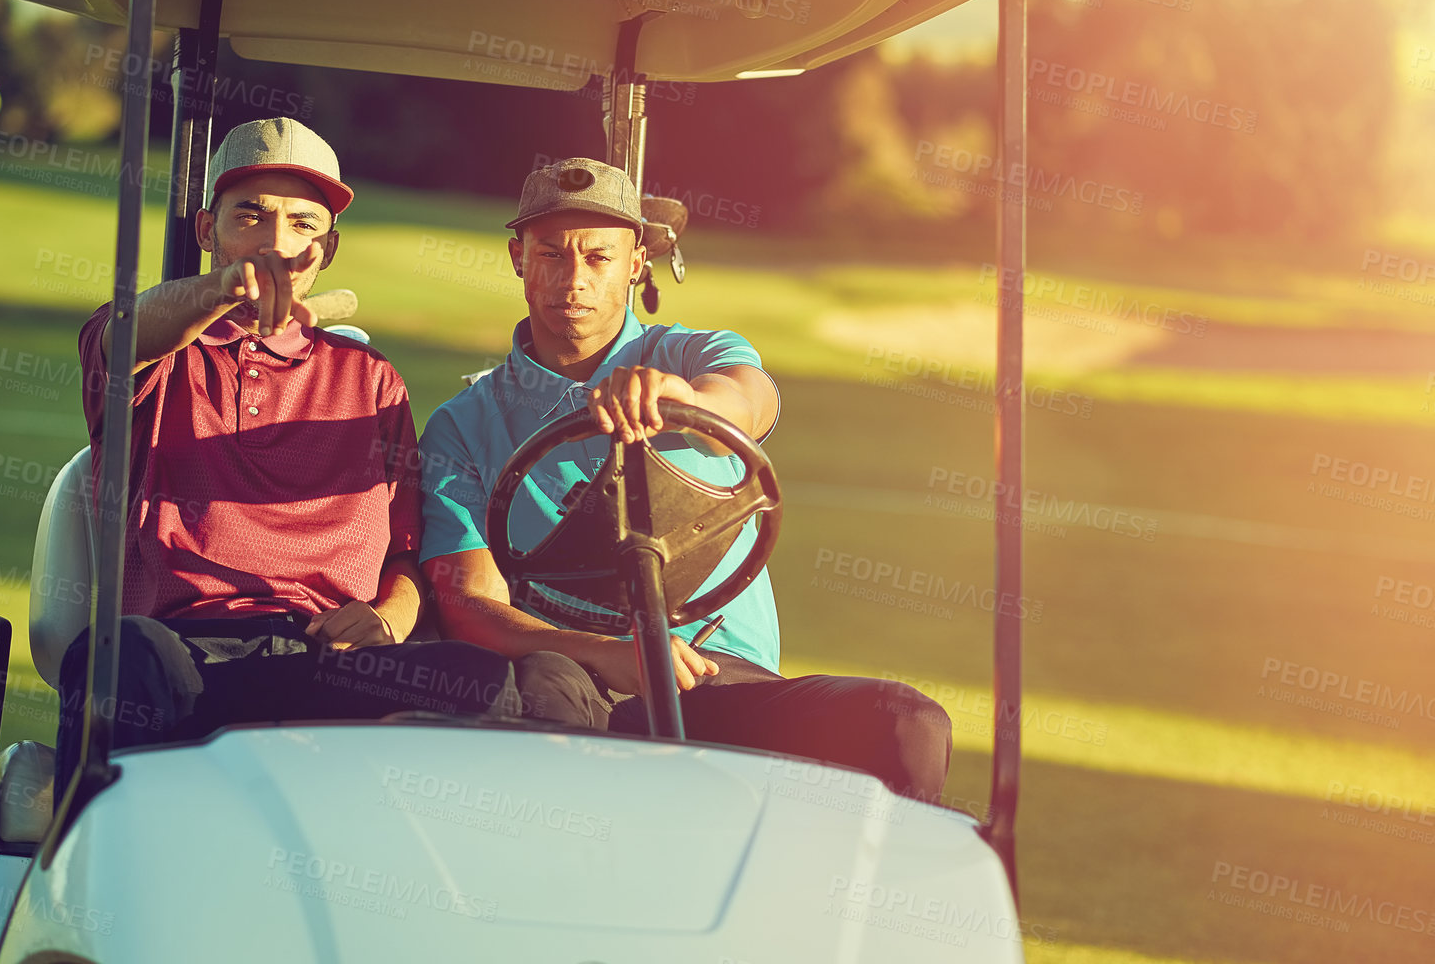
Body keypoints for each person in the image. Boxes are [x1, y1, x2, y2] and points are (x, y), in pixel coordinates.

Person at [417, 157, 953, 803]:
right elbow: (468, 605)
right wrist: (610, 655)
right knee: (537, 698)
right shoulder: (462, 424)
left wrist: (681, 399)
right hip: (576, 681)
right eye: (552, 255)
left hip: (715, 679)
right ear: (516, 258)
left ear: (636, 262)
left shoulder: (694, 355)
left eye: (598, 258)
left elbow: (749, 402)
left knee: (906, 723)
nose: (573, 279)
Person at [55, 118, 524, 799]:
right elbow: (131, 330)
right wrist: (222, 292)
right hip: (189, 650)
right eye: (251, 216)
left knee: (485, 684)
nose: (276, 241)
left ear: (325, 250)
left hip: (325, 654)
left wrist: (388, 618)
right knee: (122, 663)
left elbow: (404, 554)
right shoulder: (153, 352)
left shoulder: (369, 379)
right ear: (205, 231)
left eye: (302, 224)